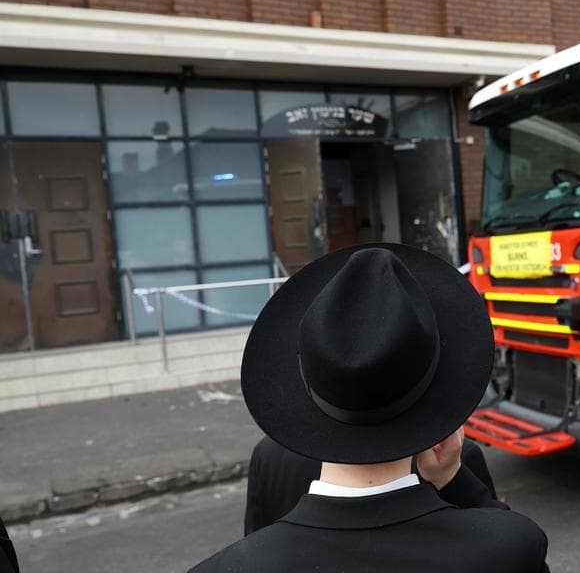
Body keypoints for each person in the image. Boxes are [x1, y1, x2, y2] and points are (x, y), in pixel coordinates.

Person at [191, 244, 548, 572]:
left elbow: (256, 538)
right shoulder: (511, 549)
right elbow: (506, 540)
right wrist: (454, 481)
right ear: (439, 389)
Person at [243, 434, 498, 535]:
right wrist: (453, 477)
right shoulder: (451, 459)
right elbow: (509, 550)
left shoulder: (268, 454)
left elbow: (255, 545)